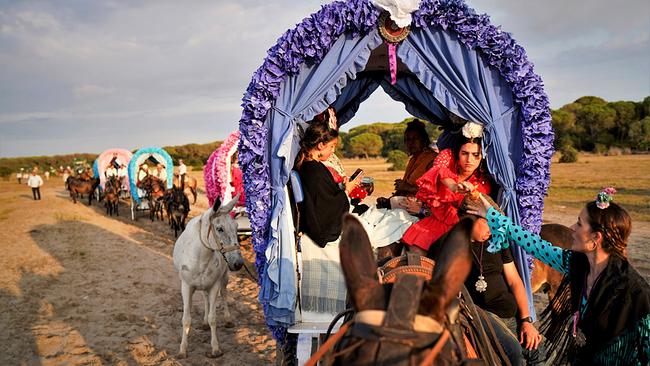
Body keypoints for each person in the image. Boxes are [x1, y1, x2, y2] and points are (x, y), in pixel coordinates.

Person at [466, 188, 650, 365]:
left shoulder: (632, 291)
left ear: (596, 238)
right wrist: (491, 214)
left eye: (579, 223)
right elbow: (533, 243)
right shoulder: (577, 264)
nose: (572, 229)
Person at [295, 113, 417, 248]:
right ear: (321, 145)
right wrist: (347, 189)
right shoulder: (314, 172)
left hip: (339, 218)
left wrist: (343, 188)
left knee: (397, 215)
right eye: (331, 146)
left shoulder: (313, 167)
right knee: (402, 219)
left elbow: (326, 198)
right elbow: (327, 210)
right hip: (332, 230)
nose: (333, 151)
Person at [455, 196, 543, 365]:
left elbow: (514, 281)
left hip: (510, 313)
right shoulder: (451, 245)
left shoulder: (497, 241)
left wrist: (526, 320)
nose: (492, 228)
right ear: (469, 217)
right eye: (487, 221)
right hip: (481, 314)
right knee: (514, 353)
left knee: (533, 350)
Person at [401, 121, 492, 255]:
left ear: (482, 157)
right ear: (457, 153)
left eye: (475, 155)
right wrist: (455, 186)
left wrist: (471, 192)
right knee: (416, 252)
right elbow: (442, 174)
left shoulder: (482, 182)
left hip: (459, 227)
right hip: (434, 222)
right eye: (464, 153)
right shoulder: (447, 157)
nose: (469, 160)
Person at [376, 119, 437, 209]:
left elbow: (435, 191)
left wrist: (408, 187)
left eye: (415, 139)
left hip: (420, 208)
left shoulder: (433, 159)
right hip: (405, 204)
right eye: (408, 139)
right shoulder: (413, 159)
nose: (411, 143)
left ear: (424, 140)